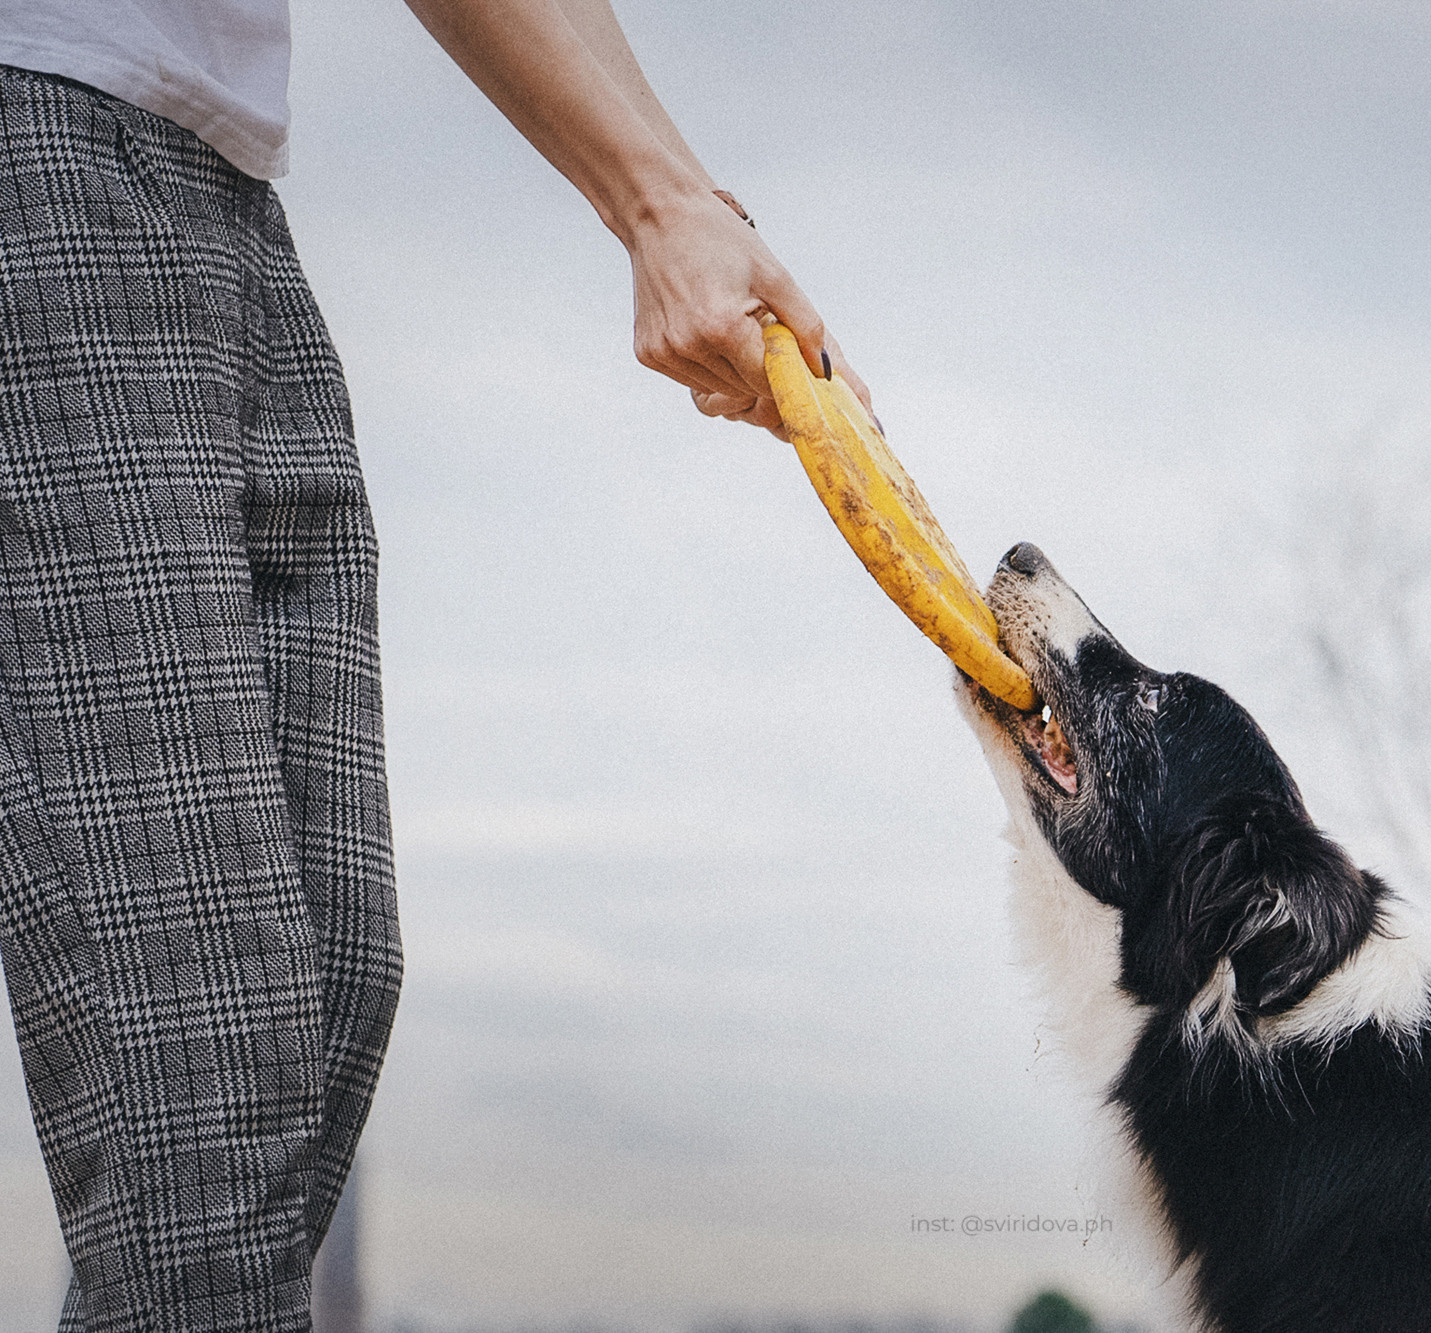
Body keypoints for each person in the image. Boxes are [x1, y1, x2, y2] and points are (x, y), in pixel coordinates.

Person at [0, 1, 863, 1328]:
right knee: (205, 1059)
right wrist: (654, 202)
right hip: (39, 139)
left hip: (217, 183)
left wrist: (681, 200)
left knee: (336, 968)